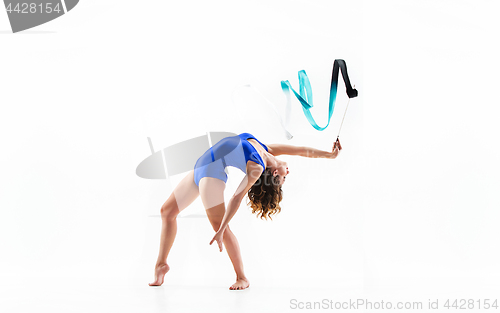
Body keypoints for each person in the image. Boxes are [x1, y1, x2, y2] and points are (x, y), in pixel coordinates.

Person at [149, 132, 342, 290]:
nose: (287, 174)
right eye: (285, 179)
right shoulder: (266, 149)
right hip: (200, 166)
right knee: (167, 212)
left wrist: (222, 228)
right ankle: (161, 265)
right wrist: (329, 154)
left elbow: (236, 197)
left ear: (275, 174)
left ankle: (242, 277)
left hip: (211, 173)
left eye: (284, 179)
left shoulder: (257, 167)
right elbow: (300, 150)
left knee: (219, 226)